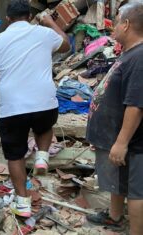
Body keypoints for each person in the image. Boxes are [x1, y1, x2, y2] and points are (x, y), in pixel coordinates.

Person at [0, 0, 70, 218]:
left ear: (8, 19)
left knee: (15, 156)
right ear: (29, 16)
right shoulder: (43, 33)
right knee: (44, 127)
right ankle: (42, 157)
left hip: (12, 107)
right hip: (44, 102)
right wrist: (49, 22)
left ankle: (22, 203)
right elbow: (66, 44)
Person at [86, 2, 143, 234]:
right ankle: (115, 217)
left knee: (137, 191)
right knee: (119, 181)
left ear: (127, 24)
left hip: (133, 142)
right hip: (119, 137)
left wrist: (121, 142)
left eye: (117, 20)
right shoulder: (130, 53)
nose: (113, 26)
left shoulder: (139, 58)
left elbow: (136, 105)